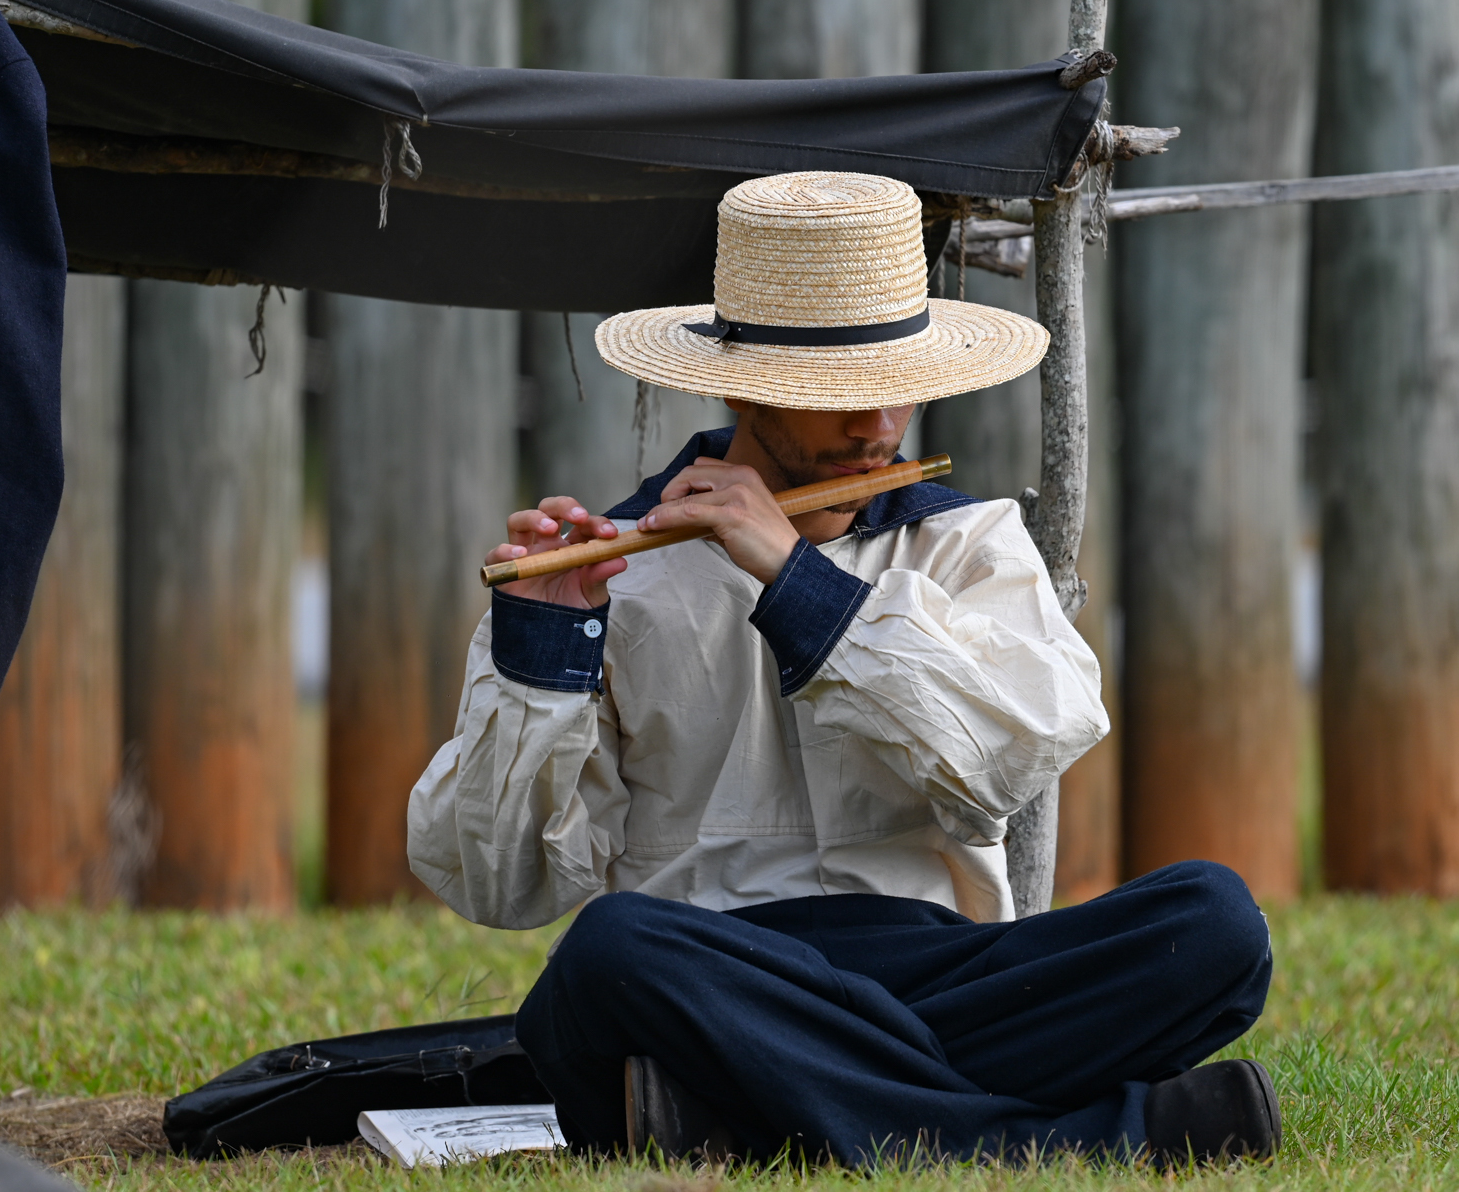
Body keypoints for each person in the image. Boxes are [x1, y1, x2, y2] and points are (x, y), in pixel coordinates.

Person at [407, 171, 1278, 1165]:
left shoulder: (973, 546)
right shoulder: (613, 582)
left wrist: (795, 576)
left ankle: (740, 1112)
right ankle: (1084, 1135)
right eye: (835, 400)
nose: (875, 427)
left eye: (893, 386)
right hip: (708, 966)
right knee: (606, 955)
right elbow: (496, 885)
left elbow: (1009, 755)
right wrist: (540, 661)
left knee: (1212, 922)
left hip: (934, 965)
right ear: (735, 384)